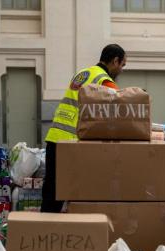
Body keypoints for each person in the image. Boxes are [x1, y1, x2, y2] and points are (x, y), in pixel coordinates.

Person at [40, 44, 127, 213]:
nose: (122, 70)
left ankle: (46, 226)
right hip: (73, 141)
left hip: (55, 136)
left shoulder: (82, 73)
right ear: (115, 61)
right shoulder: (103, 79)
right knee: (75, 190)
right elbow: (125, 102)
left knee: (52, 189)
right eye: (122, 65)